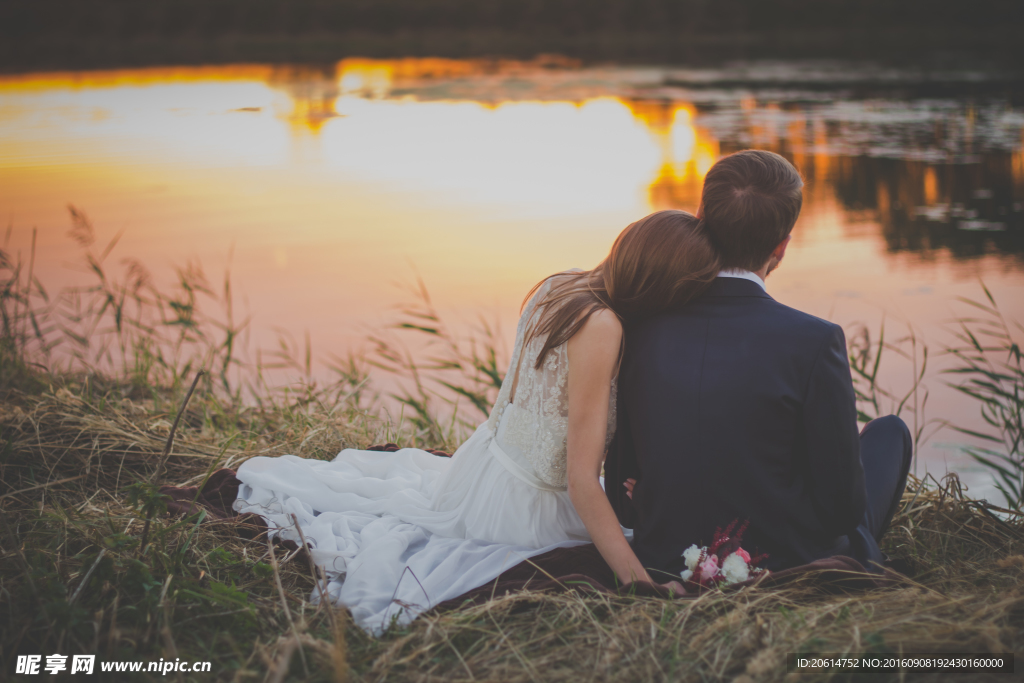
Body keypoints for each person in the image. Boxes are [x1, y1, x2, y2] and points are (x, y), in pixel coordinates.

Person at [233, 210, 719, 632]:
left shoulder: (563, 284)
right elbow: (578, 479)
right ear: (664, 286)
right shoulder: (603, 326)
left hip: (482, 467)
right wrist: (638, 585)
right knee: (636, 550)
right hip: (524, 507)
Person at [605, 150, 913, 579]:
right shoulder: (815, 340)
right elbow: (840, 512)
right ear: (781, 246)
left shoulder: (637, 331)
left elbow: (621, 497)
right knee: (890, 433)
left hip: (666, 554)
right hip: (783, 557)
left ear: (701, 219)